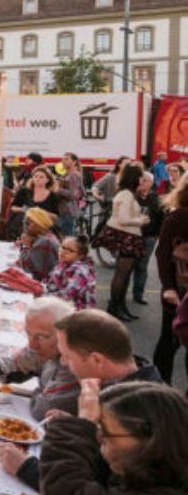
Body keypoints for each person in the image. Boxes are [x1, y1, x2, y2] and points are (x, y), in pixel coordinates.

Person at [0, 309, 163, 491]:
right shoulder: (130, 384)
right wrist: (78, 427)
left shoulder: (137, 414)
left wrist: (28, 469)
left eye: (67, 356)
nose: (64, 364)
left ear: (97, 360)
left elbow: (99, 484)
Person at [40, 380, 188, 495]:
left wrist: (78, 428)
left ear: (150, 443)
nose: (98, 437)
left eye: (105, 432)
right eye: (97, 428)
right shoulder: (145, 472)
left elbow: (67, 489)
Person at [0, 297, 79, 421]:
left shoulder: (75, 364)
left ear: (64, 334)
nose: (32, 345)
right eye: (29, 334)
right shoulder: (48, 347)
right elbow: (19, 364)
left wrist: (37, 392)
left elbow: (42, 411)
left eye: (41, 337)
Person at [94, 164, 149, 322]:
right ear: (134, 178)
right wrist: (141, 220)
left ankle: (120, 306)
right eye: (140, 177)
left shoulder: (127, 193)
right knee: (122, 274)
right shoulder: (126, 194)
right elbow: (124, 220)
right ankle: (114, 308)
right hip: (127, 236)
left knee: (123, 275)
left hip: (127, 236)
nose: (142, 179)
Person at [153, 173, 188, 385]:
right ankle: (159, 388)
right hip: (180, 289)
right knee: (169, 340)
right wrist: (169, 287)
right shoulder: (179, 216)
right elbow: (163, 253)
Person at [132, 170, 164, 307]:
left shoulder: (154, 197)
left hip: (149, 237)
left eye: (147, 181)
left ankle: (138, 294)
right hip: (132, 234)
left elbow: (160, 217)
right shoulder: (132, 196)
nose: (144, 183)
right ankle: (119, 294)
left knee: (142, 265)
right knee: (127, 266)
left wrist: (158, 234)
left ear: (151, 183)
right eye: (142, 180)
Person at [43, 236, 97, 310]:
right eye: (62, 247)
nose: (63, 251)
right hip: (63, 305)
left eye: (70, 250)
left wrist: (41, 294)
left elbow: (66, 295)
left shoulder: (81, 271)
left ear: (80, 256)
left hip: (79, 313)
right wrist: (38, 287)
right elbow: (49, 282)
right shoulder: (63, 264)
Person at [7, 165, 60, 240]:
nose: (37, 179)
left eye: (41, 177)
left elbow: (55, 216)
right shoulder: (24, 191)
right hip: (22, 226)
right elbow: (13, 207)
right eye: (35, 176)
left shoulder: (53, 196)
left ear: (47, 180)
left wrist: (40, 213)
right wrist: (25, 210)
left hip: (42, 229)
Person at [16, 207, 60, 281]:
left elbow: (26, 268)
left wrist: (25, 246)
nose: (24, 226)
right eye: (24, 222)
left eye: (27, 223)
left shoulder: (44, 242)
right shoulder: (45, 237)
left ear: (39, 224)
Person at [56, 152, 85, 237]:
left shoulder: (73, 175)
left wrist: (57, 189)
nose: (64, 161)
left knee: (67, 238)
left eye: (67, 159)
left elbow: (73, 195)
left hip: (67, 211)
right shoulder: (70, 174)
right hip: (68, 210)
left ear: (74, 162)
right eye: (62, 159)